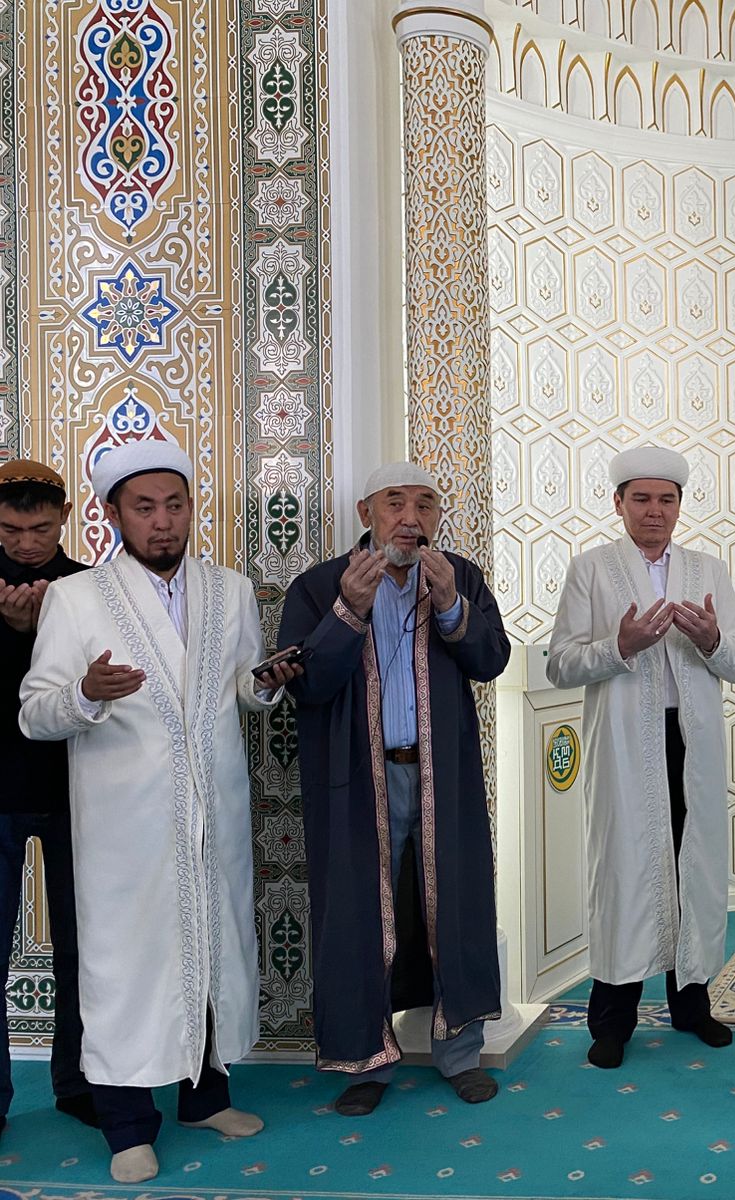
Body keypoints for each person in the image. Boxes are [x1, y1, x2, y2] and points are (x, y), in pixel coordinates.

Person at [19, 440, 298, 1181]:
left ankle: (206, 1101)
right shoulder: (76, 599)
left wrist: (266, 684)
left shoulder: (231, 590)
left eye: (174, 505)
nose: (163, 521)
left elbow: (242, 689)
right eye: (144, 508)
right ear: (112, 515)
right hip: (124, 829)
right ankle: (126, 1126)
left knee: (210, 952)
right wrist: (85, 694)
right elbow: (35, 712)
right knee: (126, 971)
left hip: (215, 817)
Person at [278, 463, 510, 1117]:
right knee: (357, 913)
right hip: (357, 781)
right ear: (366, 513)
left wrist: (453, 607)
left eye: (425, 505)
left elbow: (491, 659)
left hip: (442, 776)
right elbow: (305, 686)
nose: (411, 518)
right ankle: (365, 1062)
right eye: (395, 503)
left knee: (455, 905)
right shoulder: (320, 585)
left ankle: (460, 1055)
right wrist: (348, 612)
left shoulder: (459, 576)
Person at [548, 446, 735, 1069]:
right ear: (619, 503)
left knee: (694, 867)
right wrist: (620, 645)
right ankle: (612, 1022)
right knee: (625, 872)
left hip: (692, 741)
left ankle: (692, 1006)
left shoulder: (708, 569)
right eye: (641, 499)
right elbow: (561, 664)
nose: (654, 510)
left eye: (666, 499)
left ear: (680, 506)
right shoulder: (590, 569)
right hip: (622, 743)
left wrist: (712, 639)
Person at [0, 460, 94, 1140]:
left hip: (79, 793)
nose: (27, 544)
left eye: (39, 529)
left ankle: (78, 1084)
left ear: (64, 518)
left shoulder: (89, 589)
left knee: (83, 951)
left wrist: (36, 636)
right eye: (11, 530)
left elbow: (94, 688)